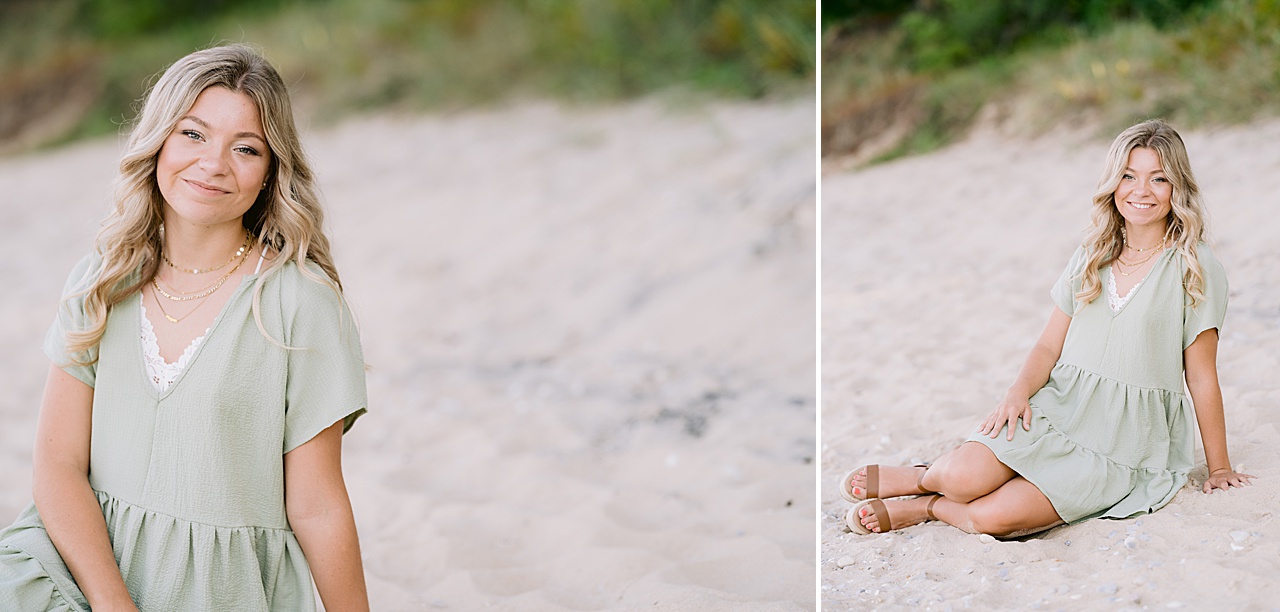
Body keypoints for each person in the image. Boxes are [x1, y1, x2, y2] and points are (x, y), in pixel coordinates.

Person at [0, 45, 370, 611]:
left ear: (272, 172)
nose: (213, 163)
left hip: (223, 591)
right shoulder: (100, 282)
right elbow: (58, 466)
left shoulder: (301, 303)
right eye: (193, 134)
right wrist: (113, 604)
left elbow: (317, 505)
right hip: (79, 573)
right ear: (158, 142)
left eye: (246, 148)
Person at [839, 119, 1253, 538]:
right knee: (965, 479)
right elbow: (1047, 345)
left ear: (1177, 188)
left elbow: (1201, 376)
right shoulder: (1093, 254)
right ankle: (923, 479)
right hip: (1061, 406)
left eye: (1158, 178)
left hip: (1126, 440)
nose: (1140, 190)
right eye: (1128, 176)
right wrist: (1016, 395)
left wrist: (1219, 467)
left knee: (991, 518)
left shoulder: (1196, 268)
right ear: (1113, 183)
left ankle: (928, 508)